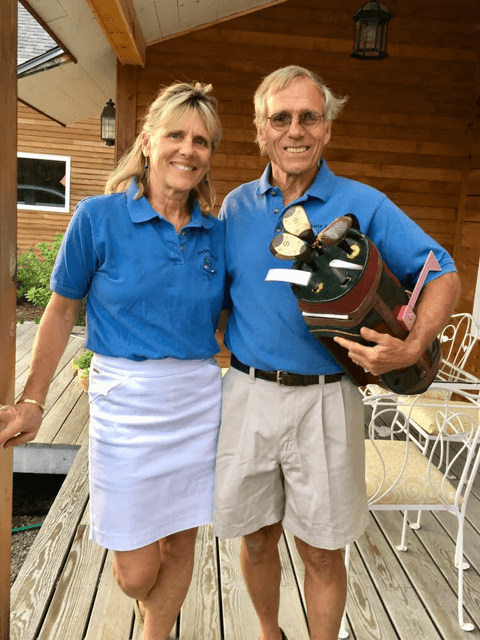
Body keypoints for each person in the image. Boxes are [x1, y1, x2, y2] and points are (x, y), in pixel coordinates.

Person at [212, 65, 461, 640]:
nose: (294, 130)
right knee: (255, 536)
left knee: (322, 550)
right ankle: (269, 632)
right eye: (281, 118)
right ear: (260, 129)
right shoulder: (236, 209)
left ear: (326, 129)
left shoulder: (363, 203)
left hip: (327, 400)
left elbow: (440, 269)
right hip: (247, 394)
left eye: (309, 117)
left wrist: (414, 344)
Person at [0, 81, 225, 640]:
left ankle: (155, 633)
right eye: (175, 134)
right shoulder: (98, 218)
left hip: (198, 401)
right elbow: (57, 314)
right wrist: (33, 399)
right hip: (124, 402)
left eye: (201, 140)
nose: (187, 149)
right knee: (133, 572)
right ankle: (145, 606)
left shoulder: (217, 235)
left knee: (182, 539)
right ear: (147, 142)